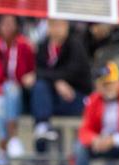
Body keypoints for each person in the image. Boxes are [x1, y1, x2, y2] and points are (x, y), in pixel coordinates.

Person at [0, 15, 35, 165]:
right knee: (0, 101)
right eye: (4, 23)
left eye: (11, 23)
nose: (7, 27)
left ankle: (3, 149)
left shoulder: (24, 45)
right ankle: (11, 140)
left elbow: (31, 70)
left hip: (19, 93)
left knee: (11, 89)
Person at [30, 19, 92, 152]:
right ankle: (42, 127)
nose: (57, 29)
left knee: (41, 86)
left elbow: (72, 72)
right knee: (40, 87)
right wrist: (57, 81)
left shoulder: (75, 45)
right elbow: (37, 70)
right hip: (52, 99)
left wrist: (55, 79)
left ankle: (43, 127)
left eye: (60, 25)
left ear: (66, 27)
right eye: (53, 25)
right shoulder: (43, 46)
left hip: (76, 97)